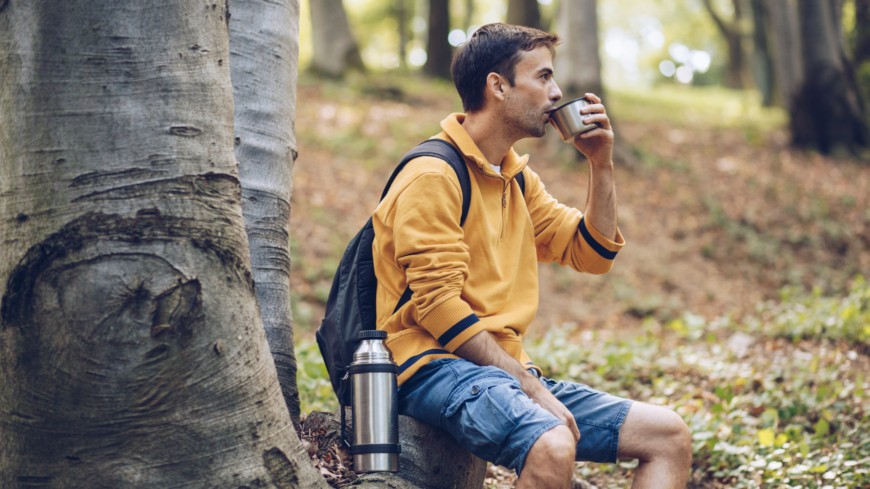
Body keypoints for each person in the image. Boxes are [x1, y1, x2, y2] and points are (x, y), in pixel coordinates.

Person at [370, 23, 692, 489]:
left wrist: (601, 166)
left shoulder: (516, 178)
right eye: (542, 77)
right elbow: (437, 307)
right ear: (498, 86)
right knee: (552, 441)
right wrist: (530, 384)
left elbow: (593, 252)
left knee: (668, 435)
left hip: (496, 370)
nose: (557, 91)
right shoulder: (432, 175)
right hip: (427, 366)